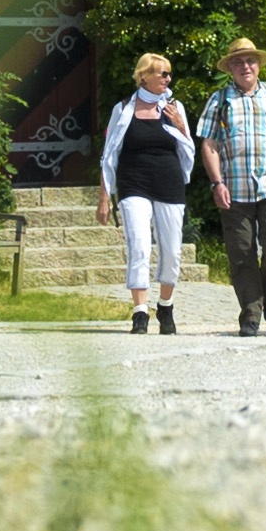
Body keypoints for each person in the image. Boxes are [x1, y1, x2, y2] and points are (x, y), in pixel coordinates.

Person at [196, 36, 266, 335]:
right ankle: (251, 314)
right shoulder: (219, 100)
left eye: (250, 60)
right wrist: (217, 182)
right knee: (241, 253)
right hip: (234, 189)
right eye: (239, 61)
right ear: (230, 67)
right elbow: (209, 144)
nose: (245, 66)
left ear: (258, 65)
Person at [96, 52, 195, 336]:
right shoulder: (124, 108)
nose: (168, 79)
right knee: (139, 243)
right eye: (162, 73)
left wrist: (179, 125)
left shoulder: (175, 107)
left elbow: (187, 148)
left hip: (168, 182)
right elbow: (109, 154)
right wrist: (104, 198)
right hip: (133, 183)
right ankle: (140, 311)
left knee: (172, 249)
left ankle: (165, 305)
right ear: (144, 76)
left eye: (169, 74)